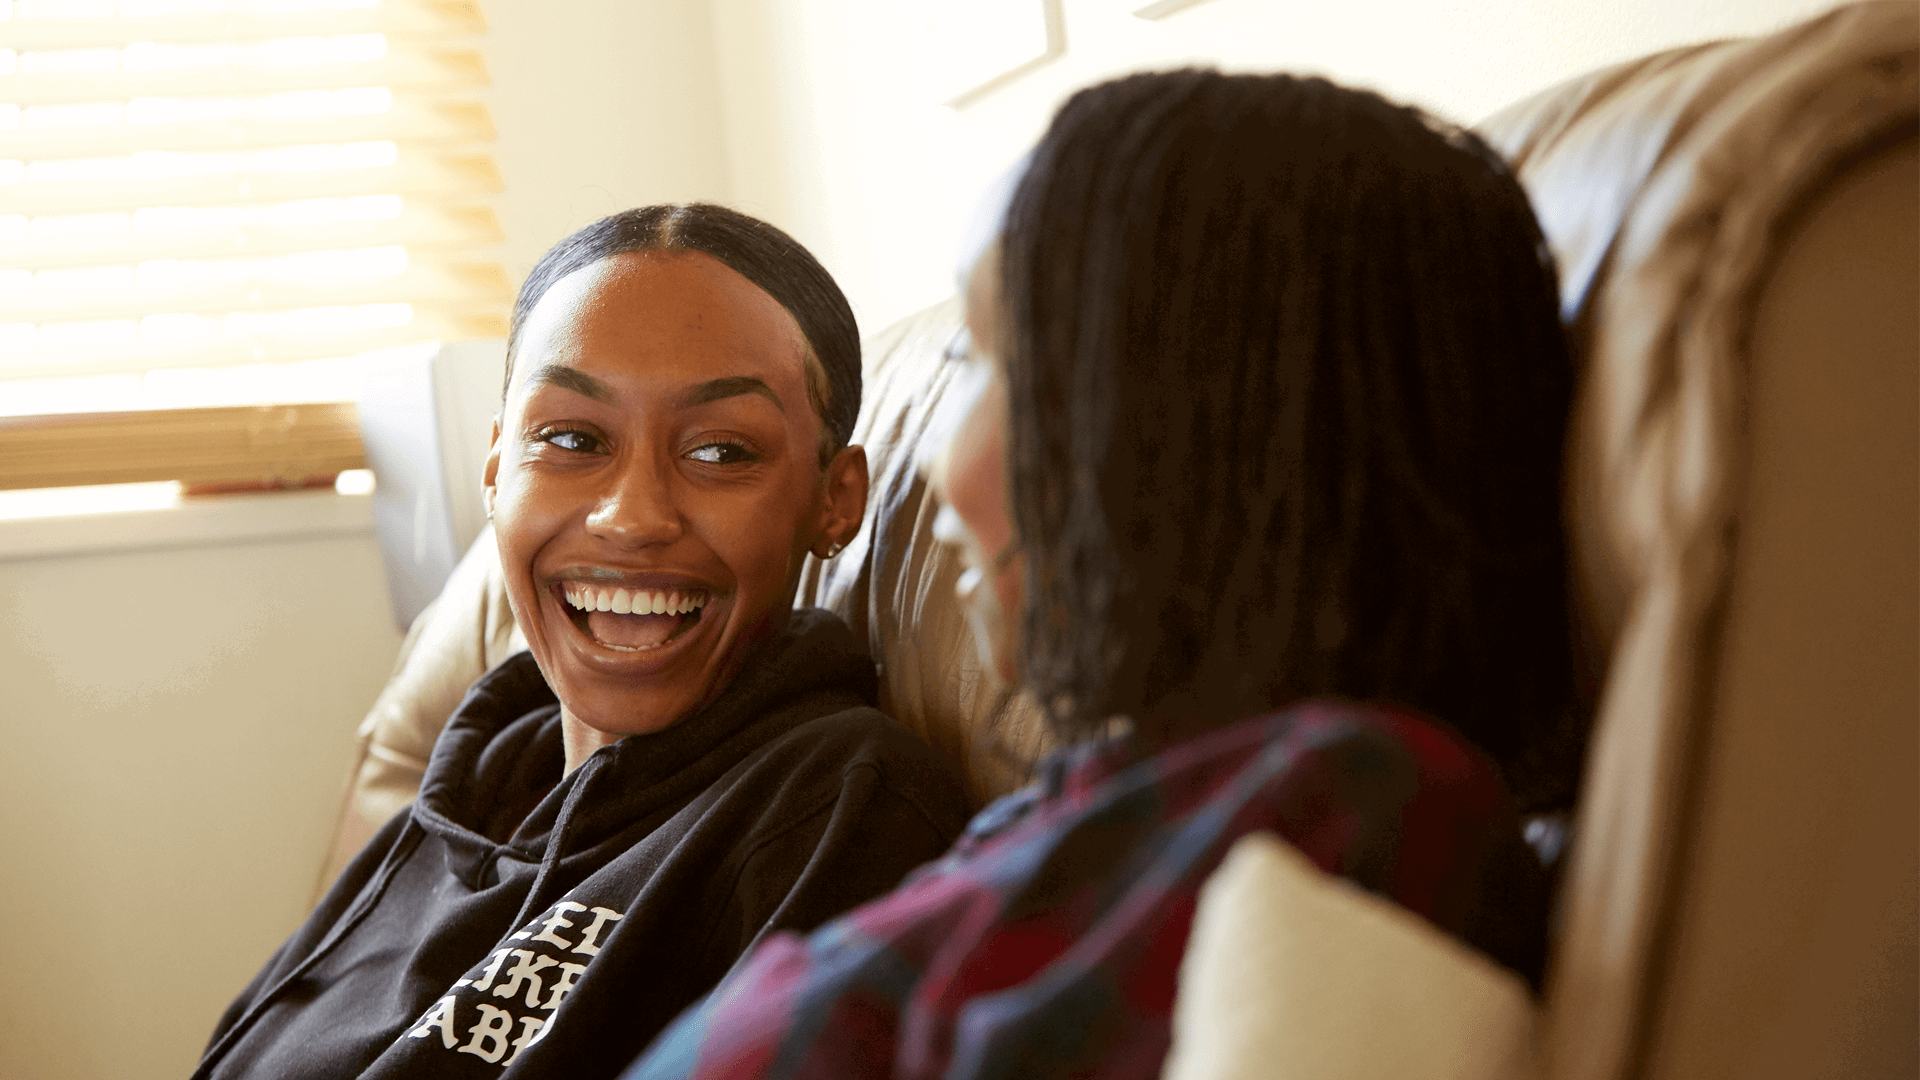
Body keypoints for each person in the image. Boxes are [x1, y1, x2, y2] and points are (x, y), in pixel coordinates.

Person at [621, 69, 1585, 1079]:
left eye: (991, 368)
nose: (941, 462)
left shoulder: (1356, 815)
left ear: (1191, 427)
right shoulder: (1089, 811)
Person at [193, 205, 973, 1080]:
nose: (632, 517)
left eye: (719, 451)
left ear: (836, 499)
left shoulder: (844, 814)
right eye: (570, 439)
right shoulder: (462, 794)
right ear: (497, 471)